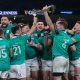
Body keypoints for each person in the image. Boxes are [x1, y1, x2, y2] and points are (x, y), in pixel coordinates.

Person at [43, 5, 76, 80]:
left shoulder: (58, 33)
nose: (55, 26)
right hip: (66, 59)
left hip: (58, 59)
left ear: (61, 26)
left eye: (57, 25)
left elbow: (49, 23)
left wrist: (45, 12)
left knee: (57, 78)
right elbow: (74, 49)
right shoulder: (68, 36)